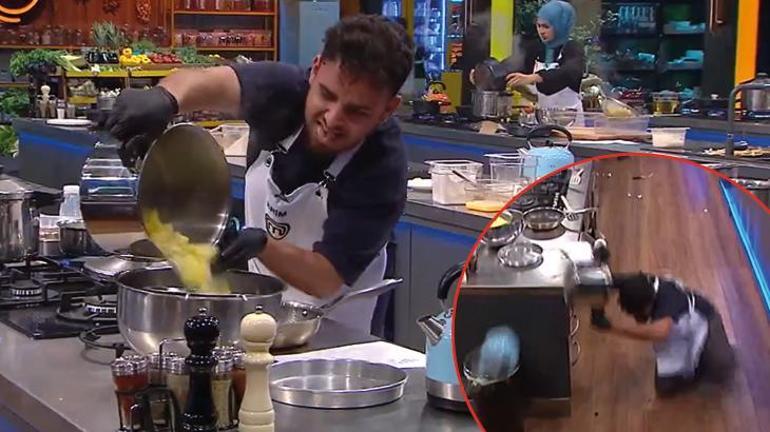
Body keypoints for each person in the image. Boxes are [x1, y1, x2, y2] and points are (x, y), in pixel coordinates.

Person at [105, 15, 414, 331]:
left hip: (336, 325)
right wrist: (164, 99)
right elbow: (205, 81)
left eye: (356, 111)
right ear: (316, 68)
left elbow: (325, 278)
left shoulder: (381, 167)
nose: (332, 119)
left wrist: (264, 246)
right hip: (259, 308)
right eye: (327, 95)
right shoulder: (283, 90)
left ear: (388, 109)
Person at [592, 272, 736, 396]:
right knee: (665, 387)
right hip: (680, 327)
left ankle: (705, 360)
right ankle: (693, 363)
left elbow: (661, 332)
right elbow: (607, 280)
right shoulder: (641, 284)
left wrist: (612, 327)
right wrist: (596, 297)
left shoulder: (668, 300)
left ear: (647, 305)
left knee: (722, 365)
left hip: (705, 321)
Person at [471, 0, 585, 113]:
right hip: (544, 117)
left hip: (569, 118)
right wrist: (483, 74)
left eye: (546, 26)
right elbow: (508, 69)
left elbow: (571, 71)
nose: (541, 31)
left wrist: (536, 77)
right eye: (539, 26)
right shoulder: (536, 48)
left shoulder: (572, 48)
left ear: (560, 26)